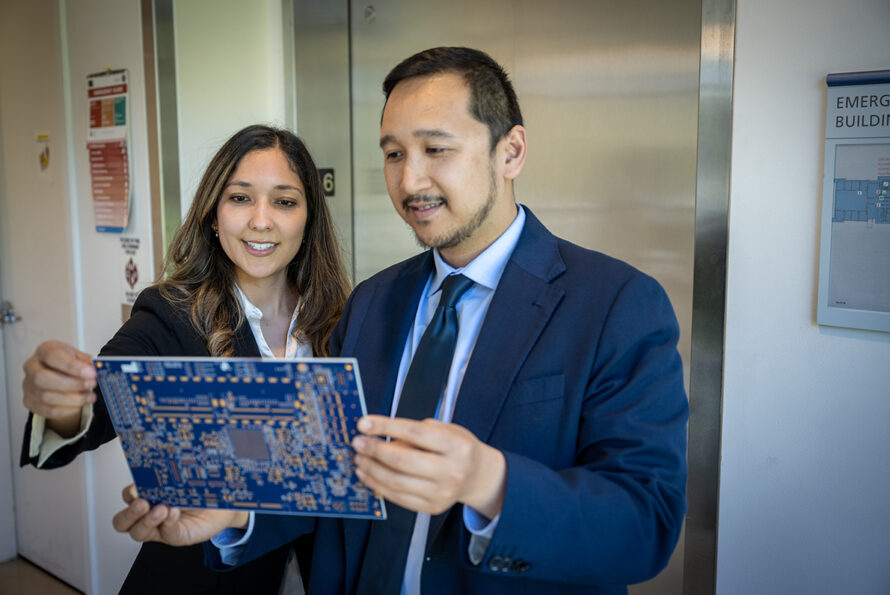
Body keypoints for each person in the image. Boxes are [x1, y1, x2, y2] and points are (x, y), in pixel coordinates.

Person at [26, 47, 688, 593]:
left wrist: (488, 481)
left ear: (510, 151)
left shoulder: (615, 304)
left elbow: (646, 523)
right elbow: (328, 478)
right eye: (394, 153)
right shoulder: (374, 304)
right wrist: (233, 517)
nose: (410, 180)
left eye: (436, 148)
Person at [19, 124, 351, 594]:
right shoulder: (171, 314)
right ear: (214, 216)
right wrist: (62, 399)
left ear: (308, 219)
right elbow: (100, 403)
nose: (261, 220)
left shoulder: (350, 321)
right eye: (240, 198)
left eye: (284, 201)